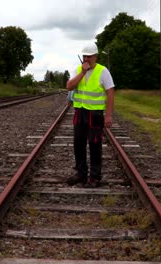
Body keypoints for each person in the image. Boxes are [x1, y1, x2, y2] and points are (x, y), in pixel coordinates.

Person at [66, 42, 115, 188]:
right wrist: (82, 72)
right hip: (79, 112)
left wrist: (108, 115)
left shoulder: (103, 71)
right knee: (78, 143)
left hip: (95, 114)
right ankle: (81, 173)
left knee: (94, 144)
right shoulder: (78, 70)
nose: (86, 59)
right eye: (84, 56)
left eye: (89, 56)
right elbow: (69, 86)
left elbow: (110, 92)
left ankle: (95, 176)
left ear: (96, 56)